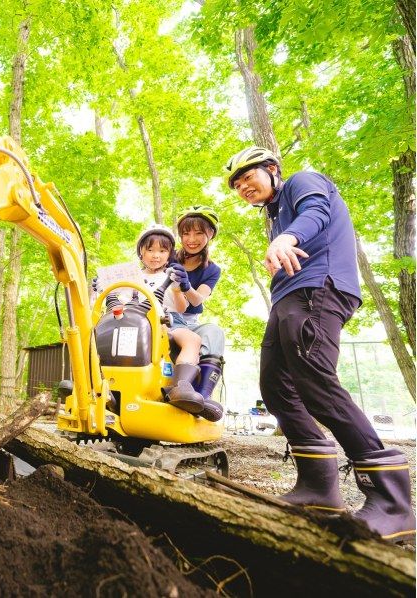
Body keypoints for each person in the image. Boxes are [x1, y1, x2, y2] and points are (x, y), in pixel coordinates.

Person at [225, 146, 415, 541]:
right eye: (237, 184)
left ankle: (393, 502)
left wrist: (288, 237)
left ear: (273, 170)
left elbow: (318, 212)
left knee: (315, 383)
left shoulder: (302, 181)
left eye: (249, 177)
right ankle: (319, 487)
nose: (244, 186)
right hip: (288, 298)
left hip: (319, 288)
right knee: (275, 388)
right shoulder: (275, 213)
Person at [130, 225, 220, 422]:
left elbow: (181, 308)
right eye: (150, 250)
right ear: (141, 253)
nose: (156, 255)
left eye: (162, 251)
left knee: (192, 339)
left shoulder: (172, 276)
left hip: (168, 321)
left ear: (170, 254)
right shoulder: (133, 278)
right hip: (137, 320)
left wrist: (180, 289)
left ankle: (181, 386)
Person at [171, 206, 226, 422]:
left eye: (198, 233)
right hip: (164, 315)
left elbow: (197, 299)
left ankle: (202, 396)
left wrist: (185, 286)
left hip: (190, 321)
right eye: (186, 233)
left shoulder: (212, 269)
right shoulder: (169, 258)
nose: (191, 239)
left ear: (210, 234)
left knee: (213, 332)